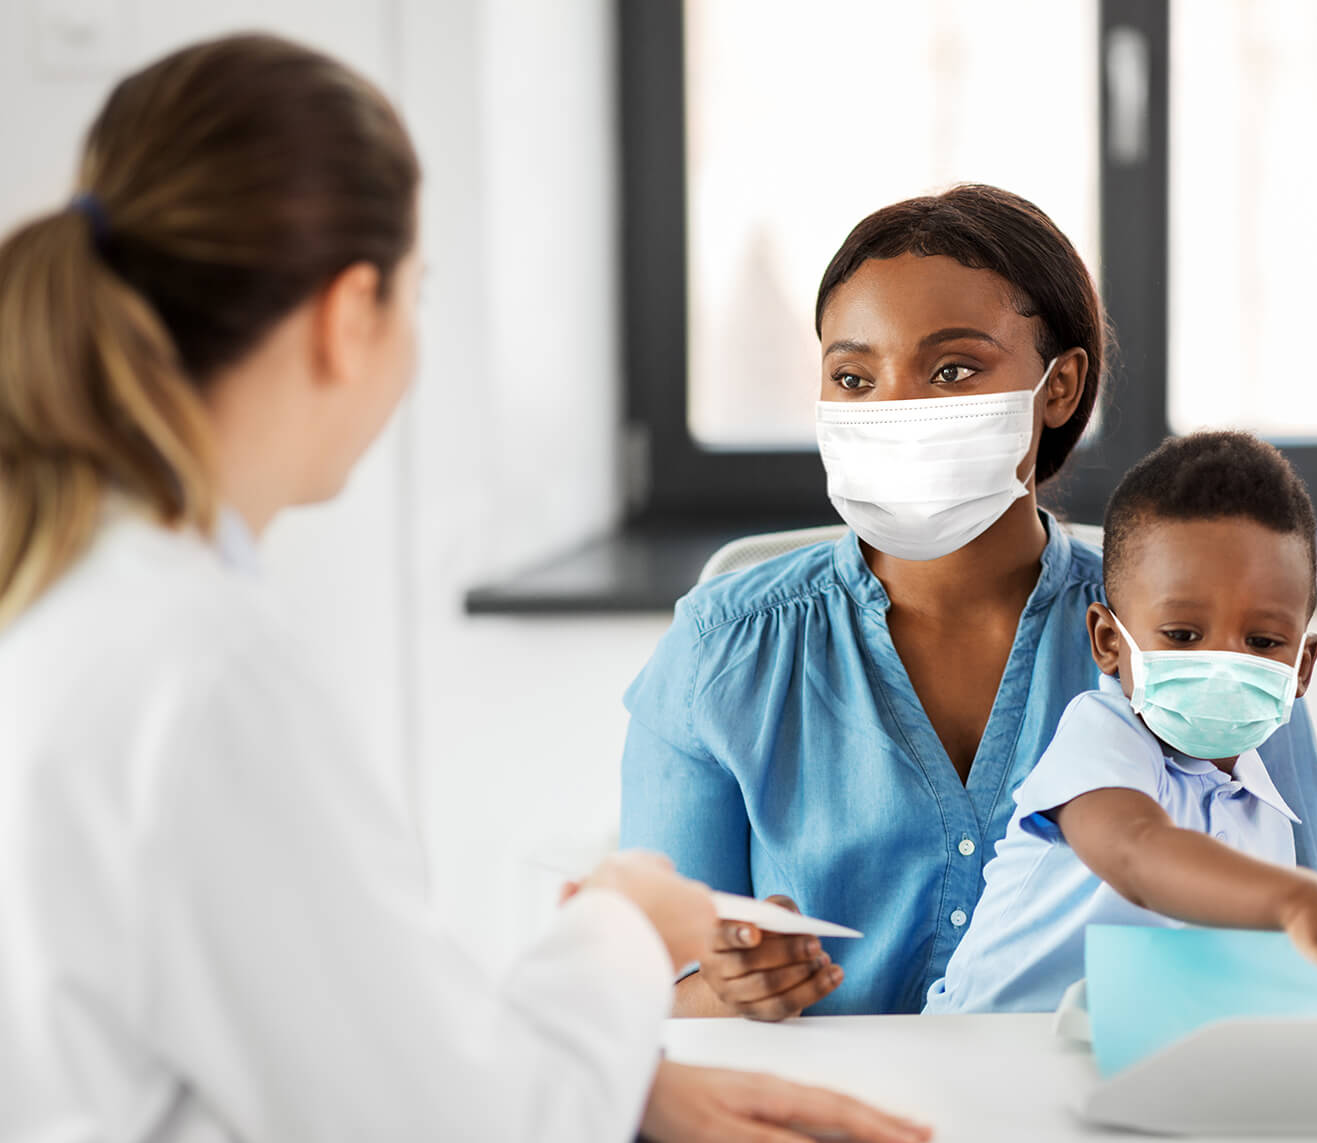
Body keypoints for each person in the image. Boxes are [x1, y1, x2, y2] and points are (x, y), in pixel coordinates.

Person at [0, 34, 928, 1143]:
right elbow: (443, 1123)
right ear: (352, 315)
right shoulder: (203, 670)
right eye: (418, 294)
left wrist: (625, 1088)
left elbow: (319, 1043)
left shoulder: (77, 600)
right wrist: (628, 923)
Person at [620, 185, 1317, 1020]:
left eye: (953, 369)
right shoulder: (720, 650)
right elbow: (646, 994)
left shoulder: (1206, 635)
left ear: (1060, 386)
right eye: (854, 377)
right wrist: (728, 987)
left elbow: (1304, 942)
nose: (894, 411)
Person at [924, 432, 1317, 1013]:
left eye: (1263, 641)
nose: (1221, 664)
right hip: (983, 1052)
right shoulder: (1102, 736)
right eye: (1183, 636)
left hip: (1119, 1053)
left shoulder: (1260, 805)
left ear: (1302, 667)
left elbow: (1275, 949)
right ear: (1108, 642)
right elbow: (1139, 855)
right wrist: (1296, 898)